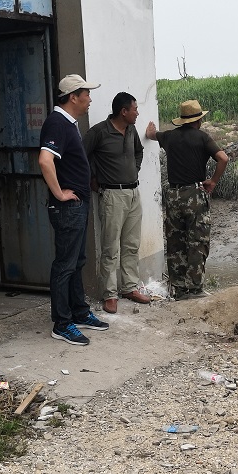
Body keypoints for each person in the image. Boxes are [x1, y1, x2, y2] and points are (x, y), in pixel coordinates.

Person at [38, 74, 110, 346]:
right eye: (86, 94)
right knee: (65, 265)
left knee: (77, 261)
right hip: (67, 207)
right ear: (73, 97)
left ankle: (79, 312)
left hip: (77, 205)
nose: (90, 99)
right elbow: (45, 161)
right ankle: (62, 323)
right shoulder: (57, 123)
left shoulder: (68, 123)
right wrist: (59, 193)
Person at [145, 100, 228, 299]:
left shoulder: (169, 137)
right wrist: (213, 181)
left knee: (175, 242)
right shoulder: (202, 138)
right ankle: (195, 288)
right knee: (197, 241)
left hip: (173, 196)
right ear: (198, 120)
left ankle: (179, 289)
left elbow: (151, 135)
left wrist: (151, 131)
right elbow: (223, 158)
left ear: (182, 120)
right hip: (194, 194)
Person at [83, 92, 150, 314]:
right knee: (110, 247)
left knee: (131, 244)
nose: (137, 113)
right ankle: (110, 294)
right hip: (112, 196)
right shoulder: (99, 132)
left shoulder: (131, 130)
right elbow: (82, 156)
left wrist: (135, 170)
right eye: (134, 109)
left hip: (133, 193)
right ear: (123, 111)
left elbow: (138, 152)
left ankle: (130, 287)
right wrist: (93, 178)